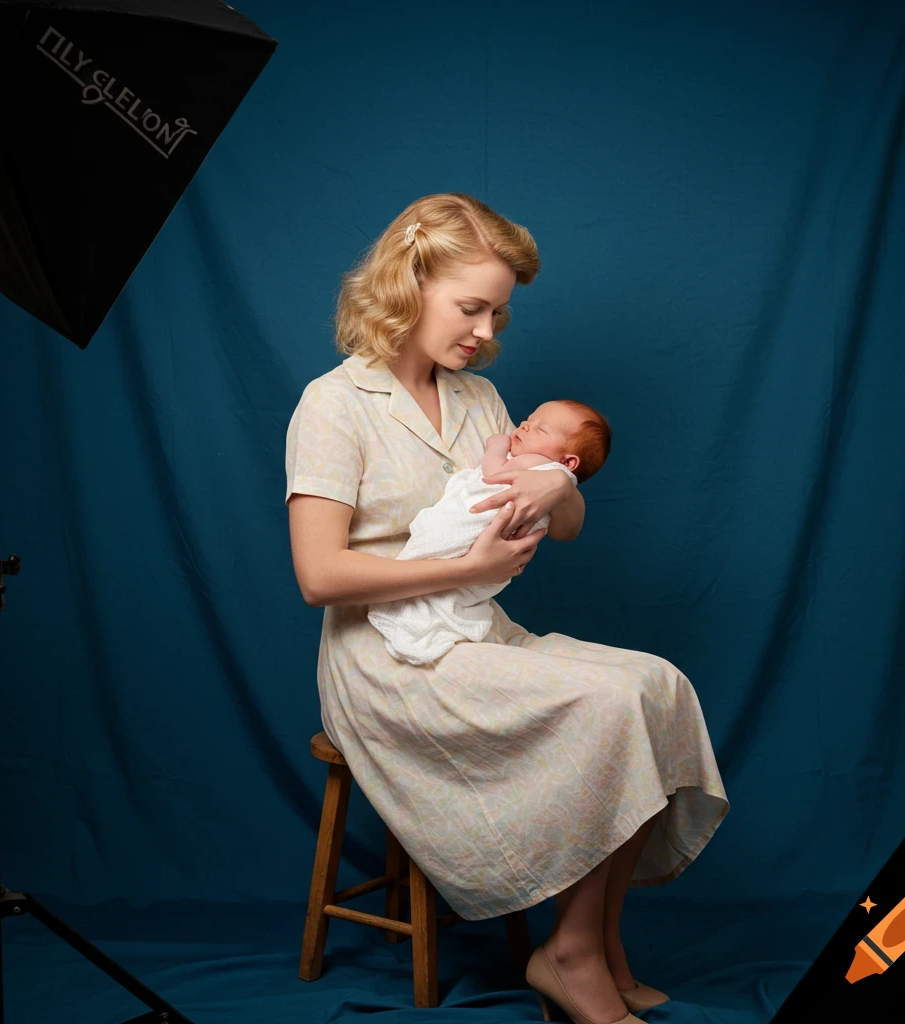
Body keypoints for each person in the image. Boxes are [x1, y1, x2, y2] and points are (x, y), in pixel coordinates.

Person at [285, 193, 729, 1024]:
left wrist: (558, 484)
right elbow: (318, 575)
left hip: (476, 631)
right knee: (604, 706)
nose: (487, 331)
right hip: (388, 661)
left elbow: (567, 525)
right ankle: (571, 956)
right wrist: (471, 561)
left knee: (656, 686)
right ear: (409, 286)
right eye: (471, 308)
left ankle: (592, 944)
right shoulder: (333, 404)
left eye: (498, 312)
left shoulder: (481, 403)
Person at [366, 400, 608, 666]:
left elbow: (493, 474)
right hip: (486, 559)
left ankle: (417, 614)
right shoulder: (538, 461)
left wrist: (496, 446)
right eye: (529, 419)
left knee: (437, 566)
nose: (526, 425)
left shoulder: (538, 463)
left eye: (540, 430)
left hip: (478, 532)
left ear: (568, 462)